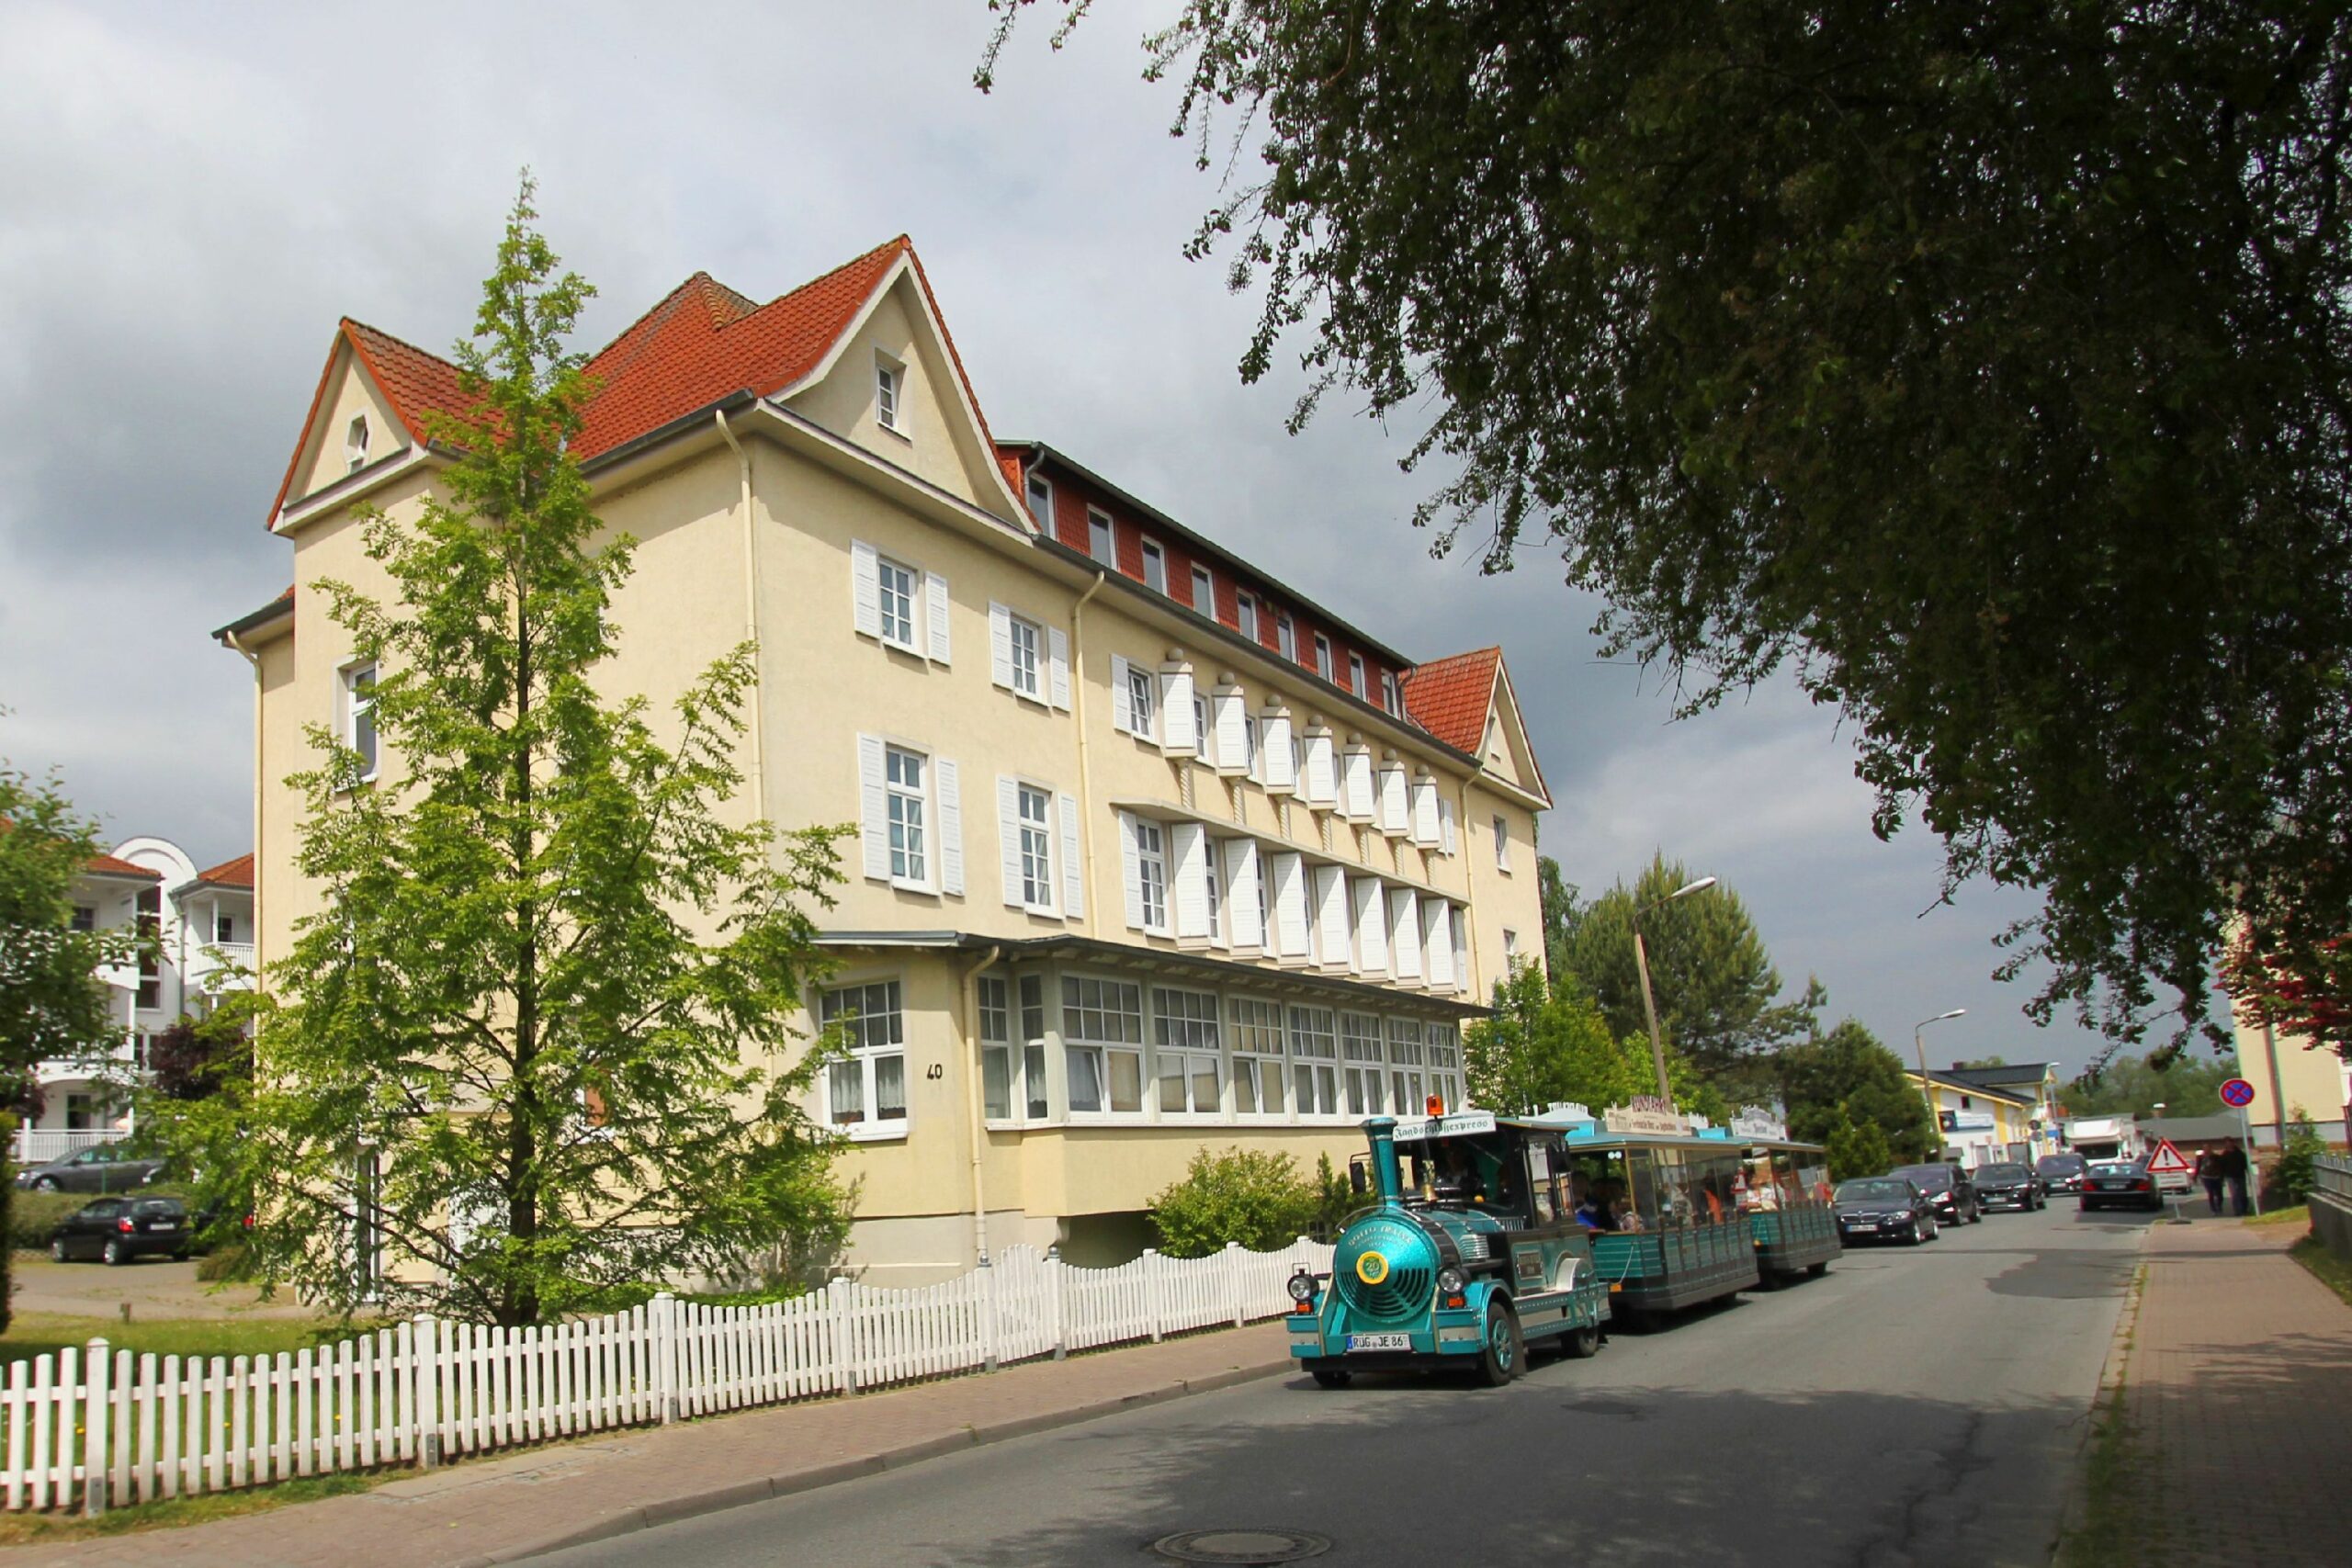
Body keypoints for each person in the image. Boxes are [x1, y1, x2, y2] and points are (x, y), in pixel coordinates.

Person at [2218, 1138, 2252, 1216]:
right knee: (2234, 1194)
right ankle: (2237, 1211)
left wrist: (2248, 1173)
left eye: (2230, 1143)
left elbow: (2245, 1164)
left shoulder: (2240, 1153)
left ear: (2233, 1143)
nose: (2229, 1145)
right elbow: (2222, 1167)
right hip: (2230, 1176)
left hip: (2240, 1175)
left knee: (2243, 1193)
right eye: (2227, 1143)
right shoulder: (2224, 1155)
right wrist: (2222, 1178)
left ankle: (2244, 1209)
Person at [2196, 1147, 2225, 1215]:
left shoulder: (2216, 1157)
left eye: (2208, 1149)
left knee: (2219, 1194)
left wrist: (2222, 1176)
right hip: (2206, 1177)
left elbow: (2221, 1167)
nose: (2207, 1151)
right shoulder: (2201, 1158)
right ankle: (2213, 1209)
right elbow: (2198, 1167)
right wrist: (2195, 1176)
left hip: (2216, 1177)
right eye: (2205, 1149)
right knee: (2211, 1193)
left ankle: (2219, 1206)